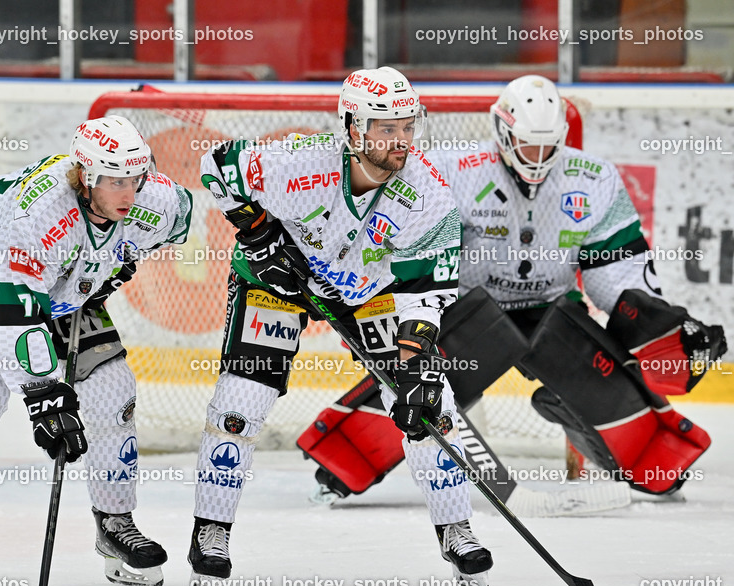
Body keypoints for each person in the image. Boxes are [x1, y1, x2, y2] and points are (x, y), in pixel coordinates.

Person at [302, 75, 726, 505]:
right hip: (467, 311)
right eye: (526, 144)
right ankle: (344, 459)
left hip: (551, 309)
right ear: (503, 131)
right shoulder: (452, 170)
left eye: (546, 146)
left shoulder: (594, 179)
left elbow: (616, 273)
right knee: (418, 385)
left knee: (609, 389)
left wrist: (659, 324)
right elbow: (399, 234)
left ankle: (656, 462)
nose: (536, 157)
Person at [186, 66, 492, 586]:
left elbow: (426, 292)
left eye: (406, 128)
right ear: (352, 128)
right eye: (385, 128)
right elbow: (216, 167)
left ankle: (455, 529)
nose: (399, 142)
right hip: (276, 283)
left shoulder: (431, 199)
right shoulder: (298, 162)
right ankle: (211, 530)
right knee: (239, 405)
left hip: (364, 293)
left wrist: (416, 364)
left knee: (431, 404)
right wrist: (259, 234)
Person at [0, 115, 192, 586]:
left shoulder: (153, 199)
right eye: (116, 181)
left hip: (64, 281)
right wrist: (44, 398)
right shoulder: (42, 213)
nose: (129, 193)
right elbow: (21, 311)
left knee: (114, 393)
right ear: (86, 176)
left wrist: (119, 263)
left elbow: (181, 216)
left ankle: (115, 524)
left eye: (136, 179)